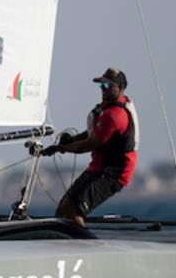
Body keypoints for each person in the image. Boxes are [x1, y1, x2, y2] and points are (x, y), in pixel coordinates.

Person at [42, 67, 139, 226]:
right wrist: (71, 140)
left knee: (73, 210)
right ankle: (68, 245)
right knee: (62, 209)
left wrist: (61, 148)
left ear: (121, 88)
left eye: (108, 85)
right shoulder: (106, 109)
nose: (103, 88)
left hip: (115, 172)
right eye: (101, 85)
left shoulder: (116, 115)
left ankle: (85, 245)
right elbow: (92, 133)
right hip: (99, 167)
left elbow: (89, 144)